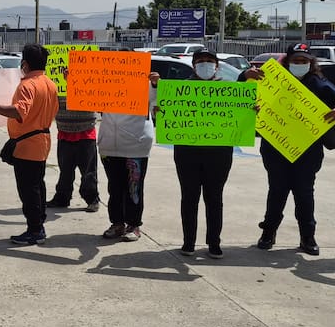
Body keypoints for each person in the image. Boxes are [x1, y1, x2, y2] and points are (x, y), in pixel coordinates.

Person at [243, 43, 335, 255]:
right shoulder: (271, 80)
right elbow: (242, 92)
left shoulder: (318, 84)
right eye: (296, 60)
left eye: (304, 61)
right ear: (287, 62)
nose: (300, 64)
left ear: (310, 63)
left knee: (304, 193)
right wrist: (245, 76)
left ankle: (308, 237)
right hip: (275, 147)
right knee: (277, 191)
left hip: (308, 150)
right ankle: (268, 232)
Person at [0, 44, 59, 245]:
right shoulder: (50, 84)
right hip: (42, 141)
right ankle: (38, 224)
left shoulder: (27, 85)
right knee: (37, 186)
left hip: (27, 144)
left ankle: (35, 230)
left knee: (28, 189)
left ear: (25, 63)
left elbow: (19, 111)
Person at [173, 48, 235, 258]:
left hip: (219, 153)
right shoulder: (180, 89)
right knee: (189, 197)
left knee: (215, 198)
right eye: (201, 61)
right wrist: (161, 111)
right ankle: (188, 242)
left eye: (209, 60)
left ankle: (214, 242)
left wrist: (250, 111)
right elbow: (164, 109)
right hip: (187, 153)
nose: (205, 64)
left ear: (216, 66)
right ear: (194, 66)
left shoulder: (229, 90)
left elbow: (240, 116)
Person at [97, 69, 159, 242]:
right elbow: (87, 100)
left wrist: (155, 84)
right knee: (114, 188)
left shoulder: (146, 84)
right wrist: (74, 81)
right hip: (110, 144)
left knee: (134, 188)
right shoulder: (102, 84)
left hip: (136, 145)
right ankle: (117, 223)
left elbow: (158, 103)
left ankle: (133, 224)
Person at [47, 98, 100, 213]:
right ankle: (62, 198)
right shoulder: (57, 85)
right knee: (65, 170)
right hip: (64, 130)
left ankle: (92, 199)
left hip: (86, 131)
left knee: (88, 171)